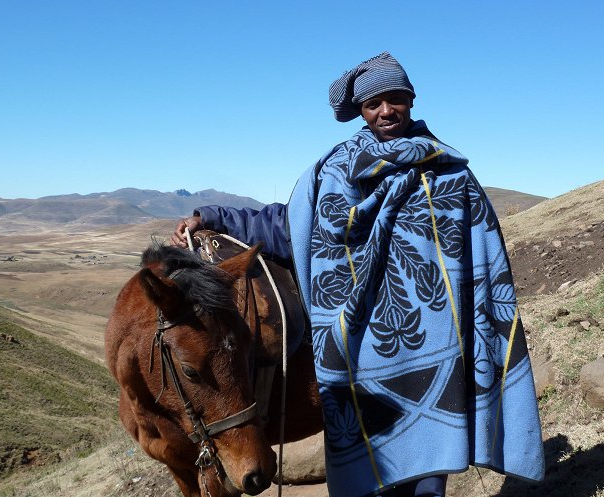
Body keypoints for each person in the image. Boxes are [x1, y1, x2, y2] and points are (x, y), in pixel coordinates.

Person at [171, 52, 544, 497]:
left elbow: (483, 261)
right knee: (375, 472)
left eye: (395, 99)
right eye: (374, 104)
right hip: (363, 352)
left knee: (430, 474)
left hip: (439, 347)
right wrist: (212, 216)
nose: (386, 111)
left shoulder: (450, 175)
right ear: (361, 112)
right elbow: (289, 227)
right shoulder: (333, 173)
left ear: (411, 100)